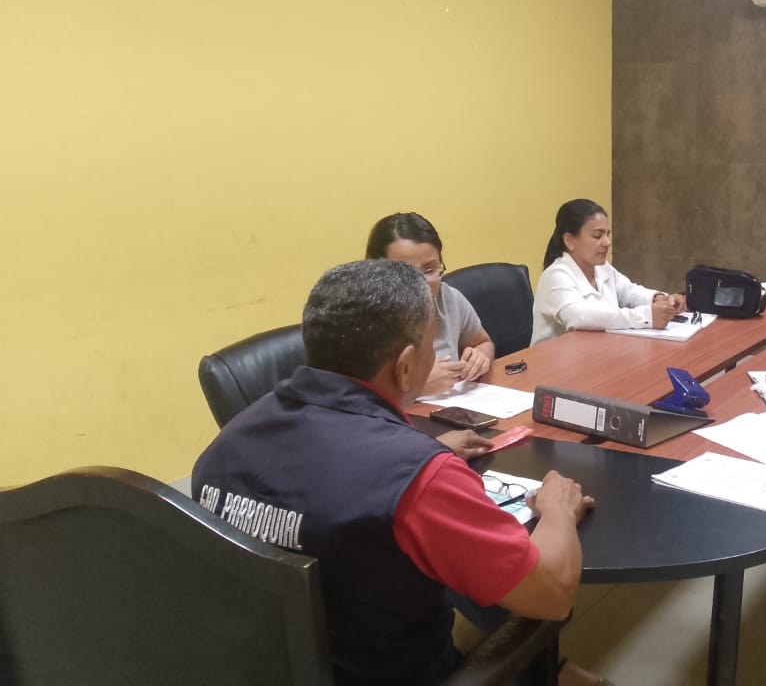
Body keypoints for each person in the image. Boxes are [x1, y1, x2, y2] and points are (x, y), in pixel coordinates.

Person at [191, 260, 595, 686]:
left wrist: (420, 457)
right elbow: (552, 594)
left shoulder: (224, 446)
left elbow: (320, 485)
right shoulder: (419, 478)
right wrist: (557, 510)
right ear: (405, 366)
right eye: (431, 347)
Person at [367, 212, 495, 395]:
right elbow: (354, 396)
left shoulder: (448, 299)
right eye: (406, 272)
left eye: (430, 269)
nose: (422, 282)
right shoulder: (362, 319)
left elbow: (482, 342)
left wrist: (480, 357)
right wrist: (415, 387)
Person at [531, 198, 685, 345]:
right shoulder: (556, 275)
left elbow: (629, 292)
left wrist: (660, 300)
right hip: (554, 360)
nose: (607, 242)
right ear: (569, 240)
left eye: (607, 235)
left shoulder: (602, 267)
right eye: (597, 235)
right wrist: (646, 316)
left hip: (596, 351)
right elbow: (579, 317)